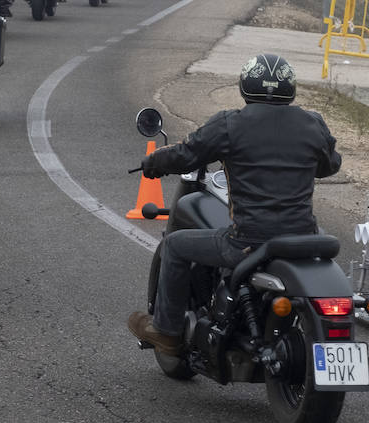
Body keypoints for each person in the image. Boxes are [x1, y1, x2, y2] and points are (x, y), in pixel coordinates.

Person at [127, 54, 342, 356]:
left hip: (248, 240)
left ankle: (167, 331)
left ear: (245, 86)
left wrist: (153, 161)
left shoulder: (230, 124)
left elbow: (187, 154)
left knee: (175, 245)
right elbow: (330, 165)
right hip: (304, 237)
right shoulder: (313, 124)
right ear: (291, 89)